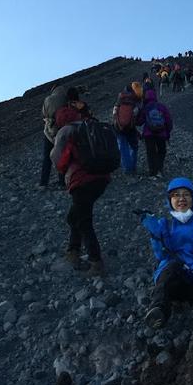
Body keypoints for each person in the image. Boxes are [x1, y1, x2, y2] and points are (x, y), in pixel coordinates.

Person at [140, 177, 193, 328]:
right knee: (171, 267)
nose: (181, 198)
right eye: (176, 195)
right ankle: (159, 310)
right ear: (169, 200)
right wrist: (155, 235)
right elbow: (162, 255)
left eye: (186, 194)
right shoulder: (165, 224)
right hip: (172, 276)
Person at [51, 116, 113, 275]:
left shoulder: (72, 136)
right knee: (75, 216)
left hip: (82, 182)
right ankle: (74, 250)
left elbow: (62, 162)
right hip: (102, 178)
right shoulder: (92, 131)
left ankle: (95, 261)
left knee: (83, 220)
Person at [137, 89, 173, 177]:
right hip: (161, 133)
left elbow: (140, 122)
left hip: (148, 134)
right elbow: (168, 120)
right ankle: (159, 168)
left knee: (150, 153)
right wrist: (167, 132)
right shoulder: (161, 106)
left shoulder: (145, 108)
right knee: (162, 151)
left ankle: (152, 171)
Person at [40, 84, 68, 188]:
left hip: (49, 130)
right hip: (63, 129)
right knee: (62, 155)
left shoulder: (48, 99)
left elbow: (43, 114)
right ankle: (62, 181)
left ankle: (43, 182)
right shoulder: (65, 98)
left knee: (47, 157)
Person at [112, 84, 142, 175]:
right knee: (134, 147)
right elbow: (136, 113)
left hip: (119, 127)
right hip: (130, 128)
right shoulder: (134, 100)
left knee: (123, 147)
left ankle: (127, 169)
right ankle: (133, 167)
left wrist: (116, 122)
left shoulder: (120, 99)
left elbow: (114, 112)